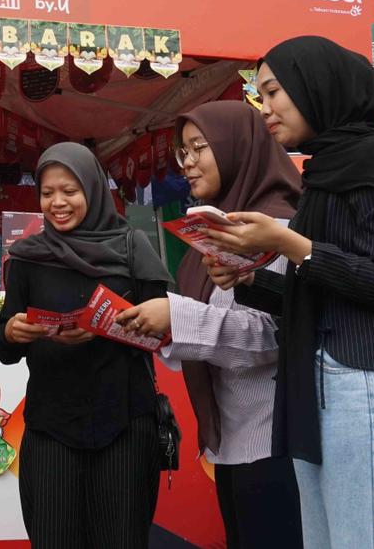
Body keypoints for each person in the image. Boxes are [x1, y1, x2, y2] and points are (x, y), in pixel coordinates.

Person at [203, 36, 374, 549]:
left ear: (316, 87)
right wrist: (250, 279)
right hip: (322, 394)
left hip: (368, 389)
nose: (265, 109)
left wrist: (288, 242)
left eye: (274, 92)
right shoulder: (324, 172)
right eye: (259, 96)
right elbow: (322, 296)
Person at [116, 101, 303, 549]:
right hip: (231, 442)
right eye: (183, 151)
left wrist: (176, 318)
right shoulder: (213, 227)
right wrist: (158, 326)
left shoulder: (276, 228)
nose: (188, 162)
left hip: (276, 440)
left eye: (199, 147)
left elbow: (271, 335)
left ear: (237, 146)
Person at [0, 142, 172, 549]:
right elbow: (5, 348)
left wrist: (114, 325)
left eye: (69, 191)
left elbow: (162, 333)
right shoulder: (27, 258)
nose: (57, 203)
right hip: (51, 425)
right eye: (47, 193)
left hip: (125, 421)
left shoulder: (132, 247)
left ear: (92, 190)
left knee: (122, 539)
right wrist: (13, 332)